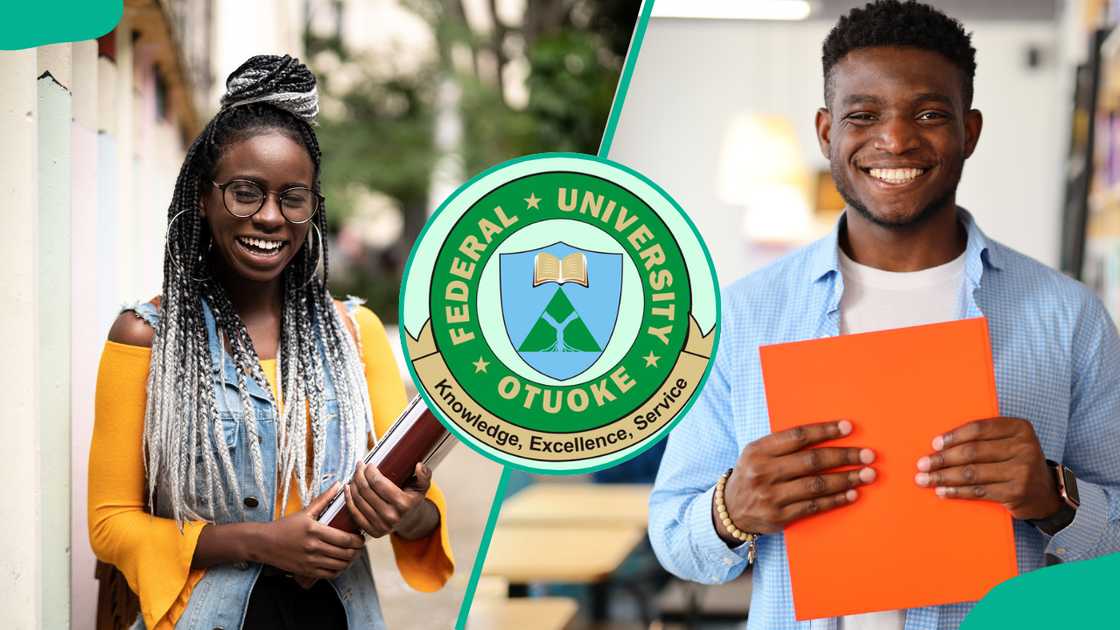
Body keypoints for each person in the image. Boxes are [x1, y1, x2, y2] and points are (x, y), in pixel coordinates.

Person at [648, 2, 1120, 629]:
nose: (895, 139)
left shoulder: (1068, 318)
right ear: (826, 132)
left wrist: (1054, 498)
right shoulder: (739, 316)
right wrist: (732, 509)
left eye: (928, 113)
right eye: (863, 115)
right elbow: (676, 539)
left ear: (969, 131)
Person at [88, 54, 453, 630]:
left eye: (292, 197)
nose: (269, 217)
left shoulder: (356, 337)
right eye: (245, 193)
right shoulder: (147, 337)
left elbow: (420, 516)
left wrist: (405, 514)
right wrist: (261, 543)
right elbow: (111, 524)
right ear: (204, 198)